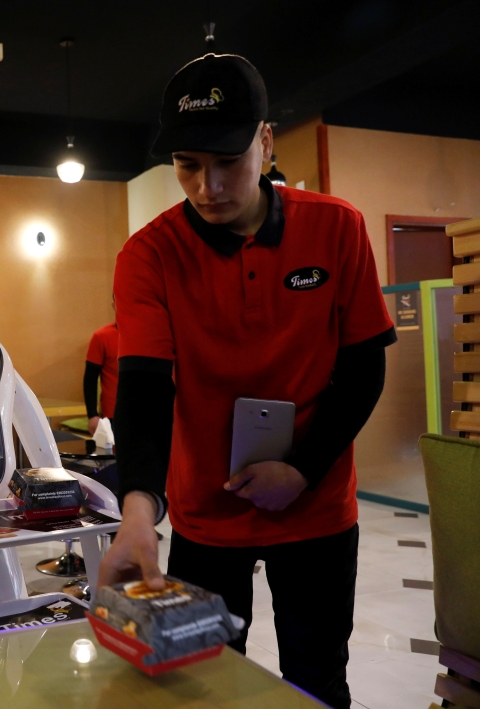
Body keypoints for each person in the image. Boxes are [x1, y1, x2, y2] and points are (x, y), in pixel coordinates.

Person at [98, 54, 394, 709]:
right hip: (205, 516)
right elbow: (144, 391)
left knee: (317, 683)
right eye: (188, 165)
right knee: (199, 686)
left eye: (227, 162)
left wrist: (303, 469)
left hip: (315, 509)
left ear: (265, 141)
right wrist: (140, 511)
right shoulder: (148, 254)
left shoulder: (336, 227)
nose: (207, 187)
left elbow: (364, 367)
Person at [84, 297, 119, 437]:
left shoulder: (146, 335)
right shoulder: (101, 337)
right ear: (114, 305)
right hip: (112, 415)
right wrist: (92, 415)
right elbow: (90, 379)